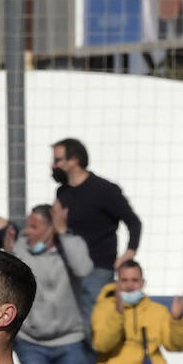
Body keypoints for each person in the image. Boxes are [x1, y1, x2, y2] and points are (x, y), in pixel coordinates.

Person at [12, 202, 92, 364]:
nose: (28, 232)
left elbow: (83, 269)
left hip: (69, 340)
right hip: (32, 341)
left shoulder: (72, 246)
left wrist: (63, 233)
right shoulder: (21, 248)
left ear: (50, 228)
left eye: (35, 226)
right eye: (28, 226)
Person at [52, 137, 143, 327]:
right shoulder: (63, 192)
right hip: (68, 269)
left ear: (74, 161)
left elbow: (133, 222)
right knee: (72, 325)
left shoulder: (104, 190)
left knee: (94, 326)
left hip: (97, 269)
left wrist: (129, 253)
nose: (54, 165)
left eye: (58, 160)